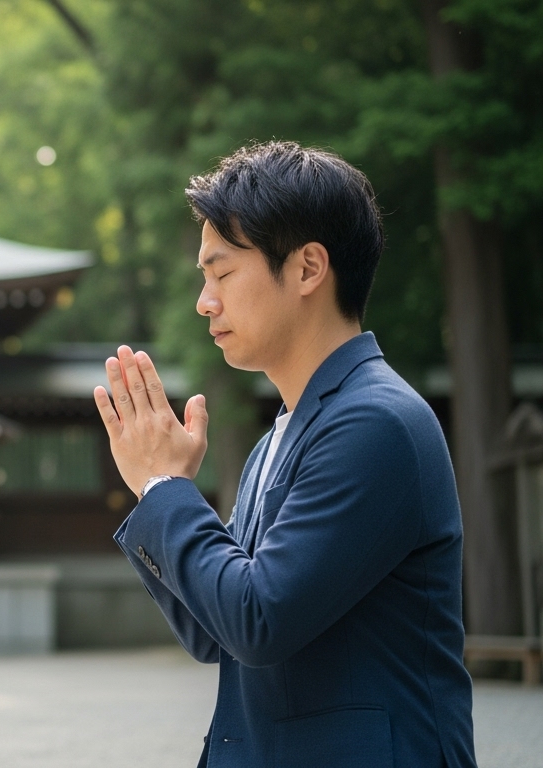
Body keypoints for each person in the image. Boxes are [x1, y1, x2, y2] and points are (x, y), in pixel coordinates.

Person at [95, 142, 476, 767]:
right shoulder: (281, 435)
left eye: (222, 273)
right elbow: (212, 632)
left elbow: (256, 620)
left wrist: (166, 489)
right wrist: (157, 492)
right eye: (204, 278)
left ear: (306, 269)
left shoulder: (376, 422)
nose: (205, 301)